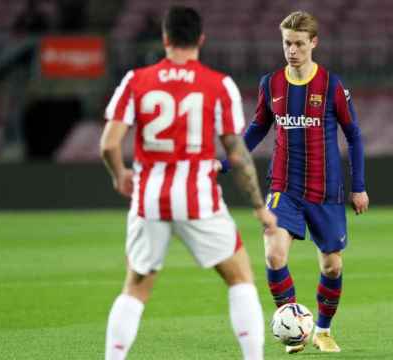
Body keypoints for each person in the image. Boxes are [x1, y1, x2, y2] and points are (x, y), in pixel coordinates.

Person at [99, 6, 277, 360]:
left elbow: (107, 143)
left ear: (164, 39)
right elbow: (237, 155)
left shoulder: (136, 80)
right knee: (240, 277)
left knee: (135, 288)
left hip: (149, 198)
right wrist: (259, 207)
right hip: (199, 198)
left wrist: (120, 174)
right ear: (201, 40)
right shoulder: (218, 85)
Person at [221, 10, 369, 354]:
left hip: (325, 190)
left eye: (299, 44)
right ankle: (292, 325)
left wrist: (358, 186)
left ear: (313, 43)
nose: (292, 50)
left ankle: (322, 330)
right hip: (283, 186)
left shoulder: (332, 85)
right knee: (274, 254)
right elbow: (257, 129)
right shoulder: (270, 84)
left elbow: (355, 136)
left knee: (331, 265)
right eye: (287, 43)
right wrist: (226, 162)